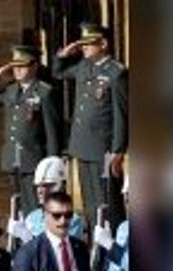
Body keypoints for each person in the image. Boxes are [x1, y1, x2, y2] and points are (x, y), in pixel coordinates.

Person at [53, 22, 128, 227]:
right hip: (82, 146)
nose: (83, 47)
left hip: (103, 148)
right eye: (82, 43)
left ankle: (114, 242)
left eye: (88, 43)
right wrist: (63, 54)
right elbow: (58, 72)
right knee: (90, 204)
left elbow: (122, 115)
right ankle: (96, 241)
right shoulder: (83, 67)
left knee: (107, 203)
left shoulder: (116, 73)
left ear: (103, 44)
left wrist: (118, 150)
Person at [0, 45, 62, 212]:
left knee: (34, 206)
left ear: (34, 66)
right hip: (12, 158)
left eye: (22, 66)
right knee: (16, 206)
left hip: (33, 159)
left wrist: (52, 162)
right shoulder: (11, 90)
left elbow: (52, 131)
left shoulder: (44, 92)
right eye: (14, 66)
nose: (17, 70)